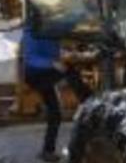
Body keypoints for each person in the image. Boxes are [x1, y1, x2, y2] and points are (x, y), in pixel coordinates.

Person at [22, 25, 92, 162]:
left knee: (55, 114)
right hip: (36, 76)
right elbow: (31, 58)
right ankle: (89, 102)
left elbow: (70, 34)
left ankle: (47, 151)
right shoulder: (32, 30)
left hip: (47, 72)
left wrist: (79, 46)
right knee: (69, 71)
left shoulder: (52, 28)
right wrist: (52, 63)